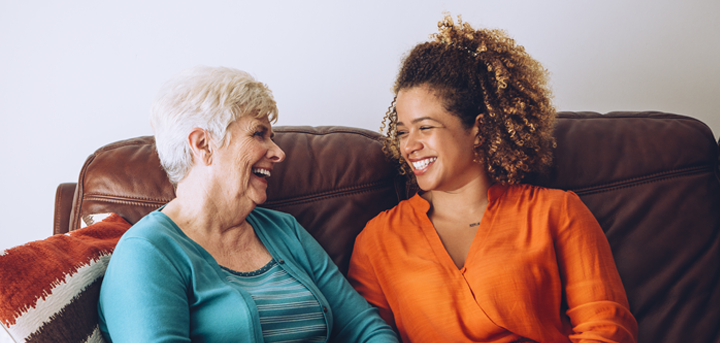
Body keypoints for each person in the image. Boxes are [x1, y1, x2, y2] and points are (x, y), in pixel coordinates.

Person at [347, 15, 638, 343]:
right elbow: (366, 334)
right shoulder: (378, 240)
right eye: (402, 132)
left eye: (425, 127)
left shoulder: (556, 212)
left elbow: (607, 327)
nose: (409, 145)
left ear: (479, 130)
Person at [98, 66, 398, 343]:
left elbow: (366, 328)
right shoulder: (148, 252)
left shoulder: (284, 230)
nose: (278, 153)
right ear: (203, 144)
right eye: (258, 134)